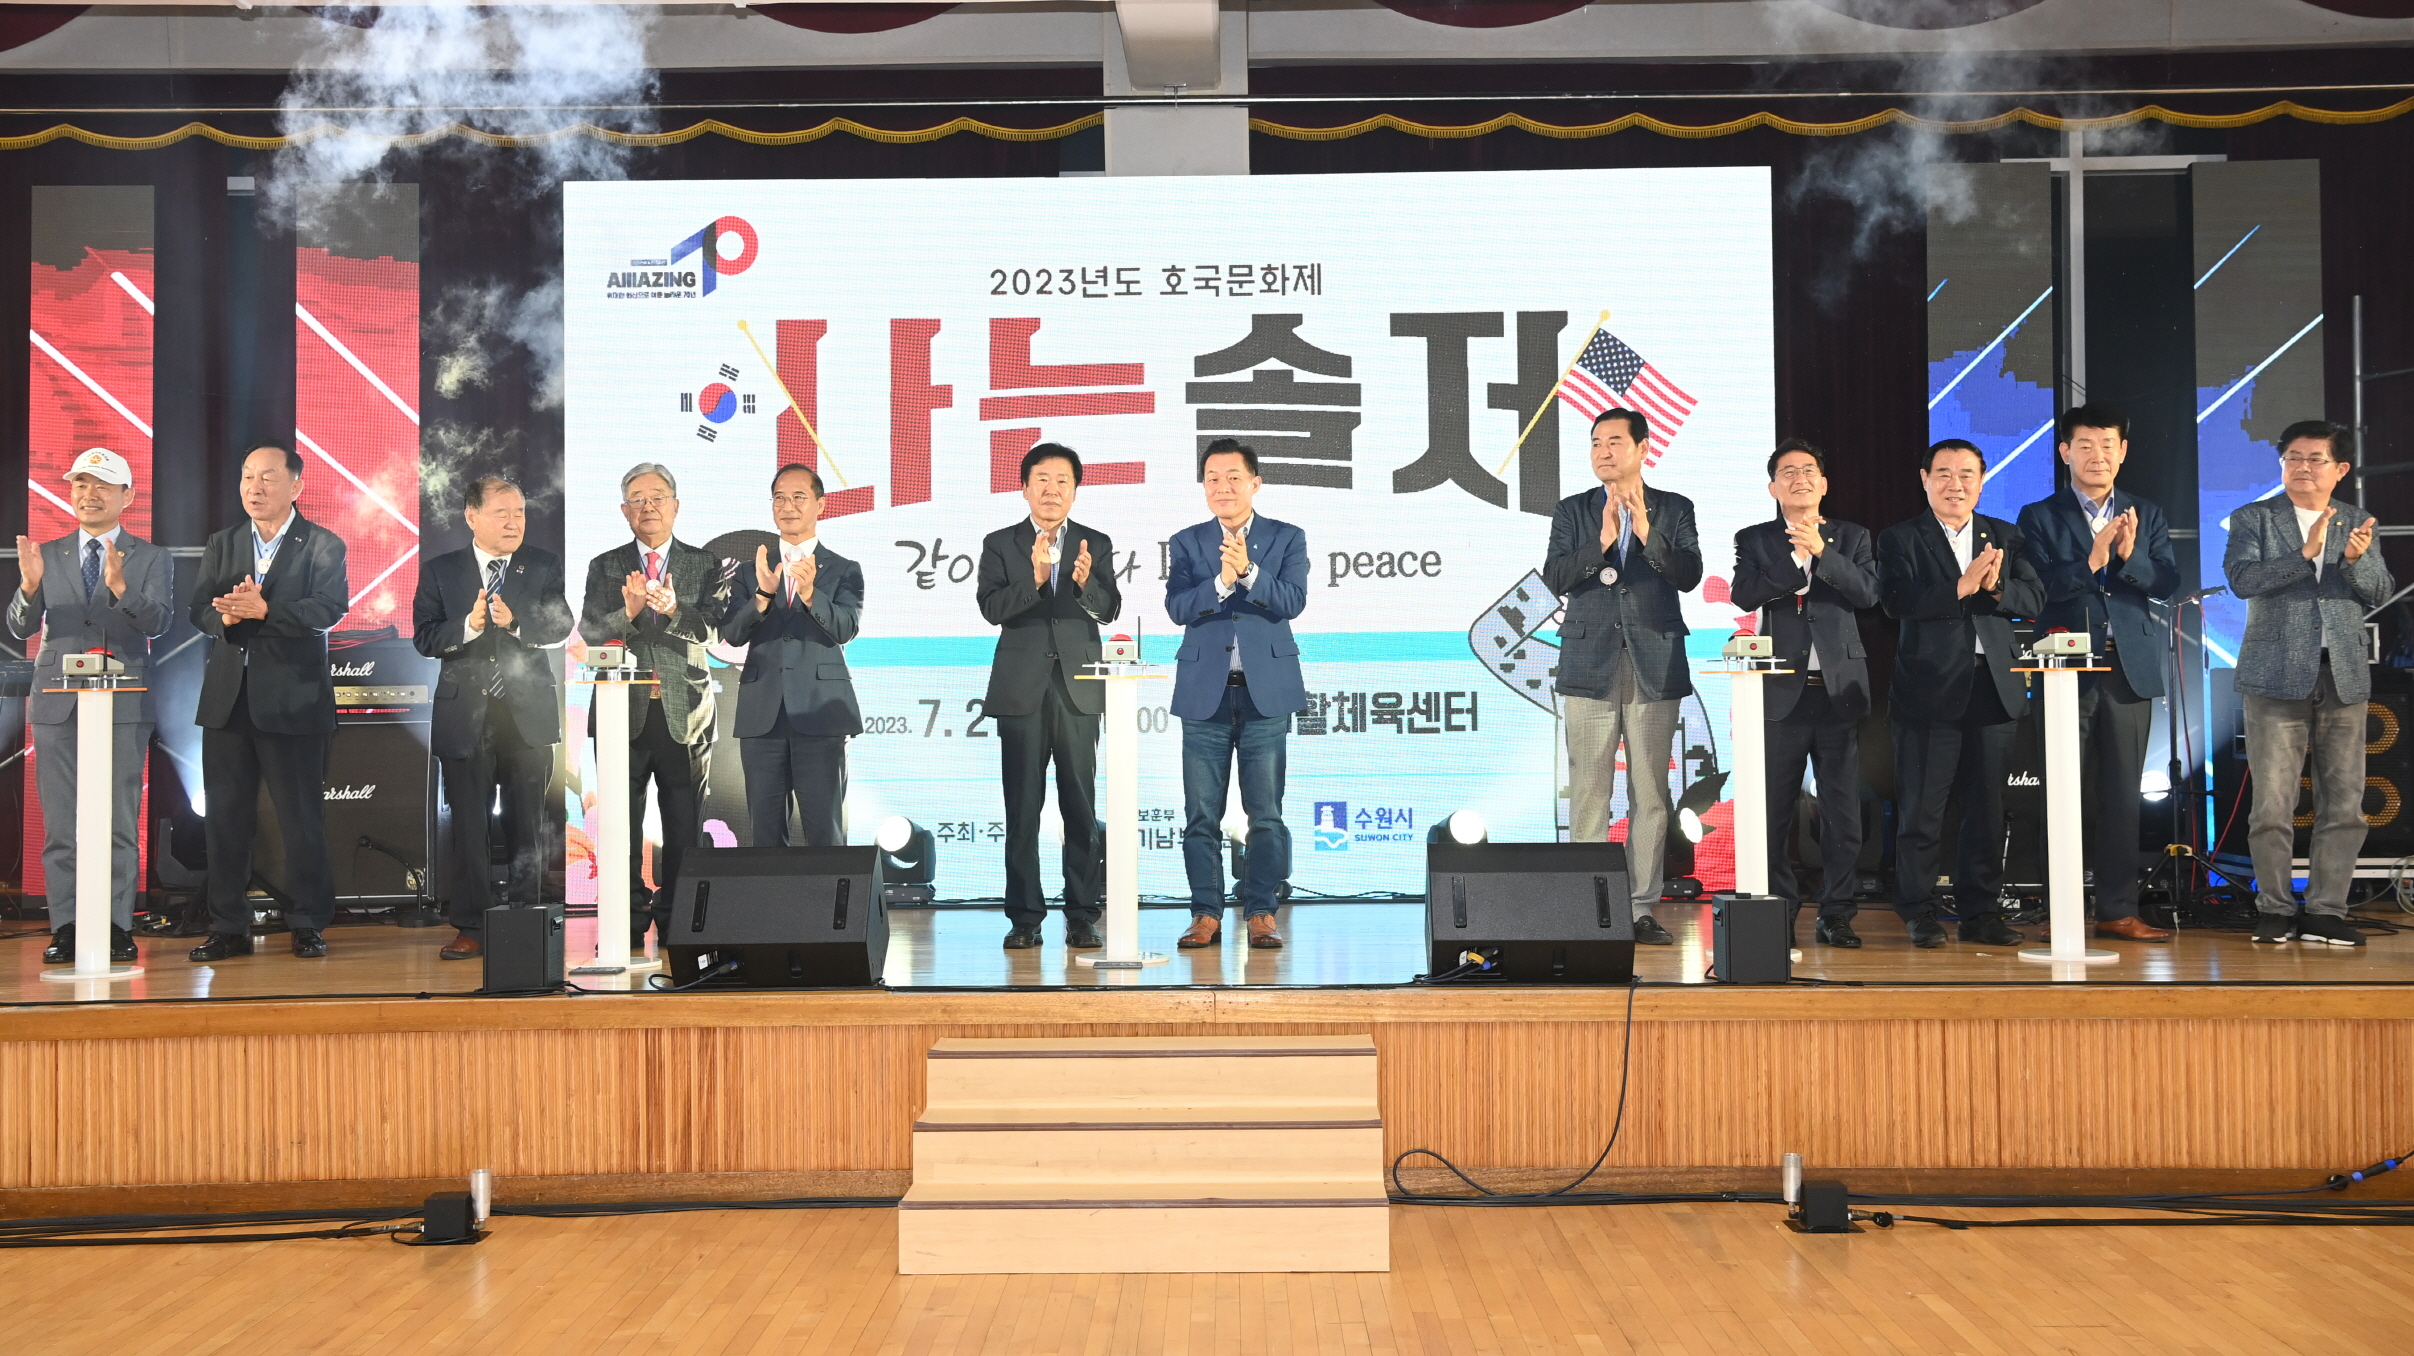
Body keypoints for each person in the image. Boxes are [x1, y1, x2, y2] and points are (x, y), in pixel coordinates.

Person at [2016, 404, 2181, 942]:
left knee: (2122, 795)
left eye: (2107, 444)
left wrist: (2130, 557)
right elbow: (2036, 588)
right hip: (2064, 672)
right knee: (2062, 793)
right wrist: (2092, 559)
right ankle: (2059, 909)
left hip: (2127, 670)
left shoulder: (2146, 513)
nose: (2097, 455)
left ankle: (2117, 909)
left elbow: (2167, 584)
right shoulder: (2038, 515)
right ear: (2065, 452)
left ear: (2122, 451)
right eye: (2085, 445)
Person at [2225, 420, 2393, 948]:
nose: (2302, 467)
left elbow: (2380, 591)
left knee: (2343, 803)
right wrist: (2304, 554)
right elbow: (2242, 580)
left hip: (2342, 674)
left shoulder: (2358, 521)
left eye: (2315, 459)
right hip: (2273, 675)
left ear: (2339, 469)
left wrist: (2353, 561)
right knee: (2272, 804)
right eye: (2292, 458)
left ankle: (2326, 911)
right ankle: (2275, 908)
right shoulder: (2254, 518)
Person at [1876, 439, 2046, 949]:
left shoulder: (2005, 535)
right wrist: (1959, 587)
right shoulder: (1901, 538)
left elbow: (2035, 598)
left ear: (1982, 480)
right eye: (1944, 474)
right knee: (1922, 810)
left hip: (1993, 687)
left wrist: (1994, 588)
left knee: (1987, 810)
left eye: (1967, 474)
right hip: (1929, 690)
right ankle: (1918, 909)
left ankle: (1981, 912)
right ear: (1924, 479)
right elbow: (1895, 601)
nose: (1956, 484)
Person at [1544, 408, 1702, 946]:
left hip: (1654, 664)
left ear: (1642, 448)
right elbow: (1556, 576)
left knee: (1650, 793)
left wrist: (1646, 532)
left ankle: (1639, 906)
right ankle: (1589, 908)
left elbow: (1689, 574)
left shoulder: (1675, 508)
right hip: (1589, 665)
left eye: (1614, 441)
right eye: (1595, 443)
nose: (1603, 451)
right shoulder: (1573, 511)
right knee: (1589, 789)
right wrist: (1603, 542)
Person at [9, 448, 173, 965]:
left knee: (119, 821)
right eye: (81, 484)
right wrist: (28, 587)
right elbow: (18, 626)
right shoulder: (48, 553)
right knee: (62, 825)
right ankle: (66, 926)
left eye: (102, 485)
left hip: (123, 703)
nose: (89, 494)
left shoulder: (151, 557)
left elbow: (160, 623)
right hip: (56, 703)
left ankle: (117, 925)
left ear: (127, 496)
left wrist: (121, 589)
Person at [187, 445, 350, 961]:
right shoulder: (223, 542)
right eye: (247, 477)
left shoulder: (323, 544)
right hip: (228, 701)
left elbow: (329, 609)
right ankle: (228, 926)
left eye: (268, 477)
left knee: (301, 820)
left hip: (294, 701)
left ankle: (307, 922)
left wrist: (265, 610)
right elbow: (198, 608)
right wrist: (224, 618)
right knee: (225, 821)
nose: (254, 488)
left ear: (296, 486)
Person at [411, 475, 573, 961]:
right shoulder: (442, 570)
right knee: (469, 827)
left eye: (520, 512)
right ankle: (472, 926)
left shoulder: (542, 564)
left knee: (529, 826)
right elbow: (424, 638)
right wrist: (468, 626)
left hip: (527, 716)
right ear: (472, 516)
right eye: (501, 512)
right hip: (467, 716)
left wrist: (516, 623)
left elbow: (562, 626)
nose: (513, 522)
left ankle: (525, 923)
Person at [1729, 439, 1879, 948]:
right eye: (1788, 472)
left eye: (1809, 470)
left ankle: (1836, 913)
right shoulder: (1755, 539)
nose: (1800, 479)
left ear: (1824, 484)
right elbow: (1745, 594)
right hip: (1779, 694)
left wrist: (1821, 552)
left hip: (1839, 692)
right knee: (1774, 813)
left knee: (1842, 814)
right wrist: (1794, 559)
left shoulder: (1852, 536)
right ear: (1773, 488)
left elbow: (1867, 593)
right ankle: (1779, 914)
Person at [976, 442, 1123, 950]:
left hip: (1078, 689)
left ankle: (1082, 914)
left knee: (1080, 807)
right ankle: (1024, 918)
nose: (1052, 489)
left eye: (1063, 481)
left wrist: (1084, 587)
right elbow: (991, 609)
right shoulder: (1000, 543)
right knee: (1022, 809)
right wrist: (1036, 581)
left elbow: (1110, 610)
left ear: (1075, 491)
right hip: (1021, 690)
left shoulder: (1095, 543)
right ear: (1024, 488)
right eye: (1042, 479)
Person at [1167, 439, 1309, 951]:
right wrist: (1221, 583)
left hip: (1264, 694)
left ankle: (1261, 911)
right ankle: (1204, 914)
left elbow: (1292, 601)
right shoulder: (1187, 542)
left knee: (1265, 814)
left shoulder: (1286, 537)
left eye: (1233, 477)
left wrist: (1248, 573)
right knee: (1200, 816)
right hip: (1204, 694)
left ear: (1255, 483)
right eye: (1212, 478)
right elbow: (1178, 608)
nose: (1222, 487)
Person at [578, 463, 720, 949]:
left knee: (684, 827)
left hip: (686, 713)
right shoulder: (605, 565)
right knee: (619, 826)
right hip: (622, 713)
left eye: (658, 497)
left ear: (676, 506)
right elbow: (591, 633)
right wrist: (631, 611)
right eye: (637, 499)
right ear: (624, 511)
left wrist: (673, 609)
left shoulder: (704, 564)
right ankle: (626, 921)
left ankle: (679, 920)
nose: (649, 507)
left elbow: (713, 630)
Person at [719, 465, 863, 848]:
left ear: (821, 505)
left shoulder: (844, 569)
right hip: (762, 716)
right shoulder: (749, 572)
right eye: (779, 498)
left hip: (821, 714)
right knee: (765, 836)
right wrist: (762, 596)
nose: (788, 506)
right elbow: (732, 634)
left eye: (799, 497)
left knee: (825, 834)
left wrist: (812, 594)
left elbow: (845, 629)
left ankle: (830, 892)